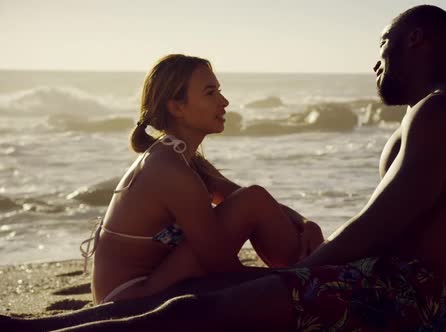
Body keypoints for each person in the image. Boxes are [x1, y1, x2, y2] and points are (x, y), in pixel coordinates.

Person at [2, 5, 446, 331]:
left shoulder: (441, 109)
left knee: (191, 311)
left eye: (382, 45)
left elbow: (391, 214)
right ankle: (39, 329)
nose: (376, 61)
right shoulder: (444, 111)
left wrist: (313, 267)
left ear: (416, 40)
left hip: (398, 299)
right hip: (392, 289)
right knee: (200, 294)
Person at [79, 54, 325, 304]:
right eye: (210, 93)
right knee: (252, 200)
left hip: (154, 282)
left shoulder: (181, 157)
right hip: (131, 300)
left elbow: (256, 204)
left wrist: (305, 224)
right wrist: (288, 279)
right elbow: (221, 268)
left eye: (219, 91)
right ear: (177, 107)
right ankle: (312, 272)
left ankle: (310, 265)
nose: (224, 102)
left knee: (254, 198)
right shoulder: (170, 170)